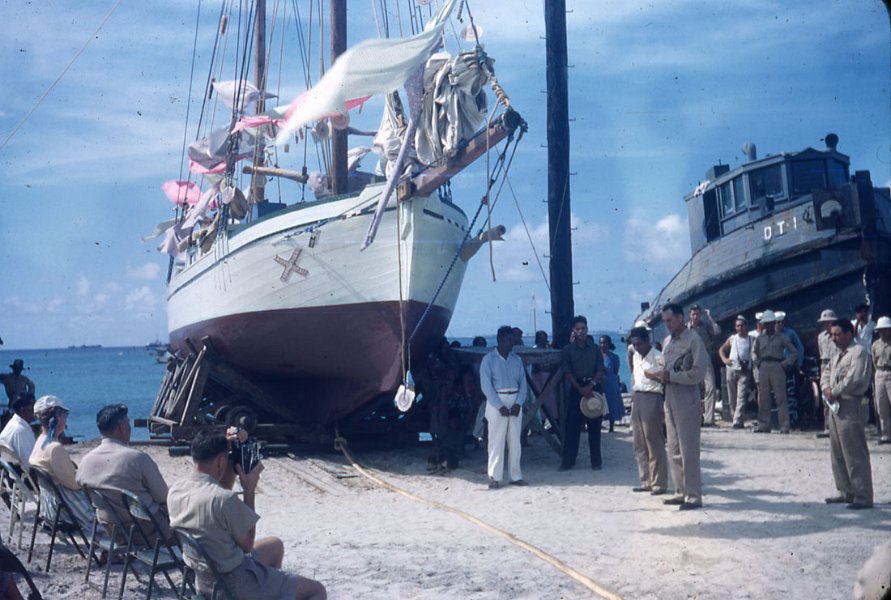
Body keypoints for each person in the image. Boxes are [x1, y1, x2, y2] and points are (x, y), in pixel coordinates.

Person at [167, 429, 327, 599]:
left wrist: (228, 446)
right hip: (235, 584)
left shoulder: (176, 491)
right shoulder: (223, 499)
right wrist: (249, 491)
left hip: (205, 580)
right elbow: (248, 544)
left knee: (274, 545)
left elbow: (216, 494)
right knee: (317, 590)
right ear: (221, 461)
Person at [76, 404, 171, 543]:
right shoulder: (137, 458)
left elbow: (82, 488)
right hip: (148, 531)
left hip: (112, 531)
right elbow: (163, 496)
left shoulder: (85, 462)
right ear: (122, 427)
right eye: (128, 422)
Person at [644, 303, 708, 510]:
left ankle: (694, 496)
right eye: (664, 321)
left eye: (669, 320)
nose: (667, 325)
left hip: (687, 397)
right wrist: (657, 374)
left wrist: (672, 376)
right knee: (673, 447)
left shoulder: (694, 340)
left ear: (681, 318)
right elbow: (665, 367)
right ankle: (680, 491)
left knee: (689, 448)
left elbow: (698, 373)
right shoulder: (667, 341)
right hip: (669, 396)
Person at [821, 319, 873, 509]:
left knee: (854, 451)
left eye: (837, 334)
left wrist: (833, 391)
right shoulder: (836, 355)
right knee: (837, 452)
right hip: (835, 405)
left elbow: (854, 377)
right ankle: (846, 492)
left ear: (848, 334)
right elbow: (826, 373)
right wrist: (826, 387)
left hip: (851, 404)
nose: (833, 338)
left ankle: (863, 496)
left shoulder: (858, 352)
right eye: (832, 335)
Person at [28, 395, 97, 534]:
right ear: (57, 418)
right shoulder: (54, 448)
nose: (66, 419)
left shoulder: (40, 442)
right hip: (67, 510)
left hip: (49, 508)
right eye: (65, 415)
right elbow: (74, 483)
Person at [479, 326, 528, 488]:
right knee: (496, 440)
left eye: (513, 340)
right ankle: (494, 476)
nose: (512, 343)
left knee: (515, 441)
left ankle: (515, 475)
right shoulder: (488, 360)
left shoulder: (517, 360)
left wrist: (518, 403)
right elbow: (486, 386)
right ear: (500, 340)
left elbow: (523, 385)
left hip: (514, 398)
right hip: (496, 400)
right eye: (509, 340)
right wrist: (499, 406)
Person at [559, 316, 605, 472]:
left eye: (583, 328)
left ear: (587, 329)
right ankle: (568, 461)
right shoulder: (567, 350)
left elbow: (600, 369)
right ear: (573, 331)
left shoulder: (595, 349)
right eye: (577, 329)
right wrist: (580, 389)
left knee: (595, 427)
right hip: (576, 388)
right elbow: (567, 372)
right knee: (572, 427)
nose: (580, 331)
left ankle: (596, 462)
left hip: (593, 388)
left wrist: (591, 386)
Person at [627, 327, 668, 495]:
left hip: (653, 396)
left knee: (654, 441)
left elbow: (666, 377)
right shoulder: (636, 355)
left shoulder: (658, 356)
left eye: (639, 344)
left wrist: (656, 376)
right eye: (634, 344)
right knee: (639, 443)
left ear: (647, 341)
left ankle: (658, 483)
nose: (637, 347)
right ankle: (646, 481)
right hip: (637, 396)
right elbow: (630, 353)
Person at [751, 310, 798, 434]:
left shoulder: (782, 338)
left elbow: (794, 352)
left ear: (774, 323)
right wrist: (757, 362)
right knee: (764, 397)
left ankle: (784, 425)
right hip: (763, 366)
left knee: (781, 397)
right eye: (766, 323)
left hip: (778, 365)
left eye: (770, 323)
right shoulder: (759, 338)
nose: (768, 325)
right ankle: (764, 425)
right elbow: (753, 352)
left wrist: (786, 363)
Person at [687, 305, 721, 427]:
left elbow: (717, 331)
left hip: (705, 357)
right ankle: (696, 418)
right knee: (692, 389)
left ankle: (708, 420)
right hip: (691, 359)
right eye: (693, 314)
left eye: (698, 314)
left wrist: (710, 317)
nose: (696, 316)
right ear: (690, 315)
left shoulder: (705, 326)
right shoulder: (686, 329)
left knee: (711, 387)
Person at [718, 316, 752, 429]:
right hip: (732, 369)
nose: (740, 328)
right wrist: (725, 359)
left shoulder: (751, 339)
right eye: (738, 326)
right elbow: (721, 349)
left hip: (744, 370)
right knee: (732, 396)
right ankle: (736, 418)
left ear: (746, 326)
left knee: (741, 396)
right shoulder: (732, 339)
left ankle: (737, 420)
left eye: (742, 325)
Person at [816, 309, 839, 438]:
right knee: (825, 397)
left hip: (836, 363)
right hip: (824, 364)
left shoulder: (838, 335)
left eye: (828, 322)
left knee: (835, 395)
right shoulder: (821, 337)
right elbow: (820, 352)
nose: (826, 325)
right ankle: (827, 427)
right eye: (824, 323)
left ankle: (837, 427)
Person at [0, 393, 36, 467]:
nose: (36, 410)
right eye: (33, 407)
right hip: (25, 476)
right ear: (23, 410)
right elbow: (29, 462)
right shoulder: (19, 430)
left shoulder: (16, 424)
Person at [871, 316, 891, 445]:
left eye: (885, 329)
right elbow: (874, 361)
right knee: (881, 407)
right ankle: (886, 434)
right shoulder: (875, 345)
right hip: (879, 373)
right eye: (881, 330)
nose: (883, 332)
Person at [599, 335, 624, 432]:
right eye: (601, 343)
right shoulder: (597, 355)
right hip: (600, 381)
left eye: (604, 343)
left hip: (611, 382)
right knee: (600, 403)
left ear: (609, 344)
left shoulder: (614, 357)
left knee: (612, 403)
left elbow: (615, 370)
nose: (602, 345)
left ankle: (611, 426)